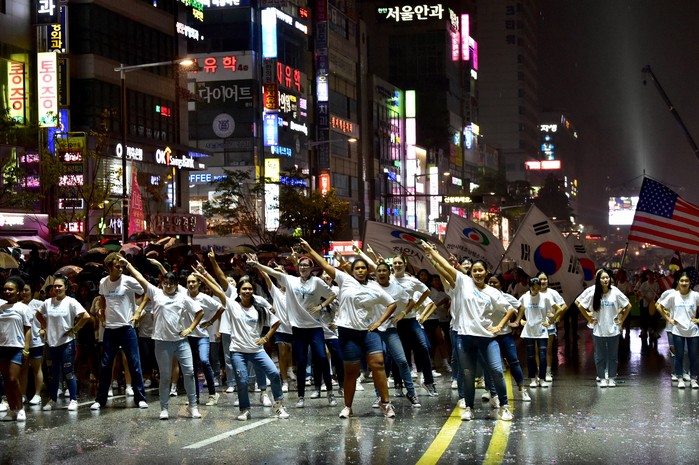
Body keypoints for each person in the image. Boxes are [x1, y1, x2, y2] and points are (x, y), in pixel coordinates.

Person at [299, 239, 398, 419]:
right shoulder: (345, 280)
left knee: (378, 364)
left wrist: (379, 322)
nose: (360, 270)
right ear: (352, 271)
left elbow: (392, 304)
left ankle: (385, 403)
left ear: (368, 271)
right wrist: (310, 250)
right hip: (348, 331)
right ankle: (348, 406)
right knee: (351, 371)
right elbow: (325, 265)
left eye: (363, 268)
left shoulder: (375, 287)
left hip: (369, 331)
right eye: (357, 268)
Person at [420, 244, 515, 422]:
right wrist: (432, 252)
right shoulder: (464, 282)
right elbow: (446, 267)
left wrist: (499, 326)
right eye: (475, 270)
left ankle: (504, 407)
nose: (477, 273)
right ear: (471, 272)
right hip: (465, 337)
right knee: (468, 374)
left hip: (487, 338)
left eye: (481, 270)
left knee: (496, 370)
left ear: (486, 272)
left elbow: (509, 309)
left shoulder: (492, 292)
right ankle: (470, 408)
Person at [119, 257, 205, 419]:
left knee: (189, 373)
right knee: (165, 376)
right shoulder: (156, 293)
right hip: (161, 342)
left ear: (176, 284)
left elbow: (199, 312)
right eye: (165, 283)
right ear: (162, 283)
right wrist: (128, 265)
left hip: (181, 341)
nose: (168, 286)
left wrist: (190, 329)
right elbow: (140, 278)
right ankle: (164, 408)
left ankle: (193, 406)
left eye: (171, 283)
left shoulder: (182, 297)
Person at [248, 254, 337, 408]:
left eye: (306, 265)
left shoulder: (317, 282)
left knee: (322, 358)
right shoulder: (291, 280)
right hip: (298, 328)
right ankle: (301, 396)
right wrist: (257, 265)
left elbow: (332, 294)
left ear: (311, 268)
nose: (303, 267)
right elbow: (272, 273)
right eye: (301, 265)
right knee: (301, 361)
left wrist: (320, 306)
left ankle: (330, 392)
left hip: (315, 327)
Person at [90, 253, 149, 411]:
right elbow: (102, 297)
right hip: (110, 329)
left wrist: (138, 312)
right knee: (105, 364)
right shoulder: (104, 282)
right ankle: (100, 399)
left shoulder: (128, 281)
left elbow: (147, 291)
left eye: (122, 266)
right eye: (117, 266)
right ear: (109, 267)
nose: (121, 269)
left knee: (134, 363)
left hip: (127, 328)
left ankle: (140, 398)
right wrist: (102, 311)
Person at [36, 274, 91, 411]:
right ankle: (53, 399)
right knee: (53, 373)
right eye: (55, 286)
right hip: (51, 343)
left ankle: (73, 399)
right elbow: (38, 314)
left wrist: (75, 329)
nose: (57, 288)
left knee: (68, 372)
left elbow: (85, 316)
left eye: (60, 286)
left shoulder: (71, 302)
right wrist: (45, 326)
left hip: (67, 342)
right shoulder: (48, 302)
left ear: (66, 287)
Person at [575, 269, 632, 387]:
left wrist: (621, 320)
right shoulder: (593, 292)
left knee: (613, 355)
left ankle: (611, 378)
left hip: (613, 329)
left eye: (607, 278)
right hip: (598, 329)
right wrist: (589, 318)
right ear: (598, 280)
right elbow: (580, 305)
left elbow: (628, 305)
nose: (606, 280)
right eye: (603, 278)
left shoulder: (615, 291)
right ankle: (601, 378)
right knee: (600, 356)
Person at [487, 274, 530, 401]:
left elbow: (521, 307)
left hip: (505, 334)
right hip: (489, 335)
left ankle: (522, 389)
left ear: (501, 284)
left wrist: (517, 322)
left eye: (495, 282)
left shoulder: (506, 297)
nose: (492, 285)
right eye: (490, 282)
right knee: (491, 365)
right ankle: (491, 391)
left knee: (514, 361)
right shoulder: (483, 297)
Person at [185, 272, 224, 406]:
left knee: (204, 361)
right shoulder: (183, 295)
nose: (191, 284)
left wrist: (210, 322)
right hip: (188, 336)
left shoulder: (204, 298)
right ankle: (194, 396)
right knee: (191, 367)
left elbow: (221, 308)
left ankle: (213, 394)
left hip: (202, 336)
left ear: (199, 283)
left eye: (193, 282)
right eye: (189, 282)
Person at [514, 277, 560, 389]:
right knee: (530, 356)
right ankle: (532, 379)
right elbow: (515, 308)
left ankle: (542, 378)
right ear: (530, 287)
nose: (536, 290)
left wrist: (551, 321)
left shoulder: (545, 297)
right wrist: (520, 320)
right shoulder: (524, 297)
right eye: (533, 288)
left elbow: (559, 309)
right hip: (529, 330)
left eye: (537, 288)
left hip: (542, 330)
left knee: (543, 356)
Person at [655, 271, 699, 389]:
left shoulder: (695, 295)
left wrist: (698, 320)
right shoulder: (673, 295)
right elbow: (659, 306)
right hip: (677, 330)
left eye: (686, 281)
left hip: (693, 330)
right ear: (678, 282)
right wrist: (669, 319)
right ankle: (679, 378)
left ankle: (693, 379)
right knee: (678, 355)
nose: (684, 283)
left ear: (690, 282)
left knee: (693, 356)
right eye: (682, 281)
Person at [0, 276, 31, 421]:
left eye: (10, 289)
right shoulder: (1, 308)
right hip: (2, 347)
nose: (7, 292)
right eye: (5, 289)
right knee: (6, 379)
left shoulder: (23, 308)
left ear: (18, 291)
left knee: (13, 378)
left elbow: (28, 329)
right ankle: (12, 410)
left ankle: (20, 408)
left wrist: (26, 348)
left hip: (17, 347)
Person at [537, 272, 567, 383]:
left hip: (549, 326)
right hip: (535, 326)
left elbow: (564, 306)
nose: (543, 281)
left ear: (548, 280)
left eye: (545, 279)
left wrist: (555, 317)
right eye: (540, 279)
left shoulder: (552, 293)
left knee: (548, 350)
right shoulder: (533, 293)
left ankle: (548, 372)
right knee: (537, 351)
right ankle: (540, 372)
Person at [19, 283, 45, 406]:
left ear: (32, 291)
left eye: (26, 290)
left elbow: (49, 317)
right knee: (23, 370)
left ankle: (37, 395)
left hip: (36, 341)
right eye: (22, 290)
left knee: (37, 368)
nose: (24, 293)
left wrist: (44, 329)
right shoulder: (17, 305)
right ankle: (23, 394)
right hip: (21, 342)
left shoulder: (39, 304)